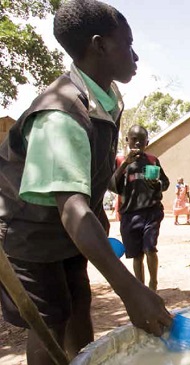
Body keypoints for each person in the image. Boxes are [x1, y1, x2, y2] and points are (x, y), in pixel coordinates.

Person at [0, 1, 172, 363]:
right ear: (100, 45)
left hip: (63, 231)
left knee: (78, 305)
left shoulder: (105, 99)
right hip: (26, 229)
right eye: (128, 43)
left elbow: (91, 178)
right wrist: (131, 289)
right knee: (48, 319)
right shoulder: (60, 112)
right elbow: (72, 208)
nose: (136, 54)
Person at [110, 125, 170, 292]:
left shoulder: (152, 161)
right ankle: (141, 288)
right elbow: (112, 185)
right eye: (134, 139)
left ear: (147, 142)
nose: (137, 143)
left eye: (141, 140)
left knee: (150, 248)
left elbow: (165, 183)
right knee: (136, 255)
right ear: (127, 140)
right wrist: (125, 165)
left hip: (151, 212)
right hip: (129, 215)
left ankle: (153, 284)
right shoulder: (120, 162)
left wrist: (156, 184)